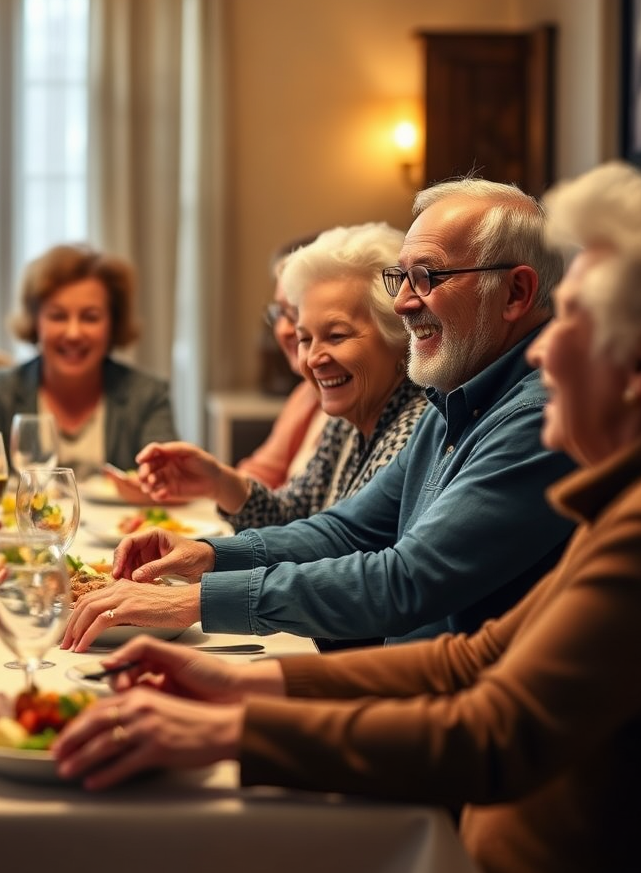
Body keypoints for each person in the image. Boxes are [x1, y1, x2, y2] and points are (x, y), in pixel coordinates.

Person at [54, 160, 641, 873]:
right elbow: (461, 653)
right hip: (483, 850)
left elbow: (484, 716)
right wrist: (224, 621)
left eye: (571, 318)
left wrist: (231, 718)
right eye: (398, 278)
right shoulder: (481, 412)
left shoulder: (634, 507)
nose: (546, 353)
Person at [62, 177, 576, 652]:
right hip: (404, 685)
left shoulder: (539, 419)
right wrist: (208, 555)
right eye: (404, 278)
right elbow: (345, 532)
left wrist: (194, 600)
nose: (403, 305)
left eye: (428, 277)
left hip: (441, 712)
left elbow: (405, 582)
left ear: (516, 293)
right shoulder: (456, 399)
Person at [135, 223, 427, 531]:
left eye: (336, 335)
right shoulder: (350, 420)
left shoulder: (411, 434)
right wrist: (218, 482)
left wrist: (211, 567)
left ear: (399, 336)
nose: (313, 359)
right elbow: (291, 513)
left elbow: (342, 559)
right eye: (305, 339)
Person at [0, 243, 177, 478]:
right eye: (58, 316)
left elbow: (171, 478)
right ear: (36, 321)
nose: (73, 333)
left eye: (90, 317)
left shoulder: (147, 394)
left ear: (113, 324)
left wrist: (153, 484)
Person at [235, 232, 325, 488]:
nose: (285, 330)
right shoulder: (307, 393)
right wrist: (206, 480)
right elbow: (261, 473)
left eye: (297, 312)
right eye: (280, 313)